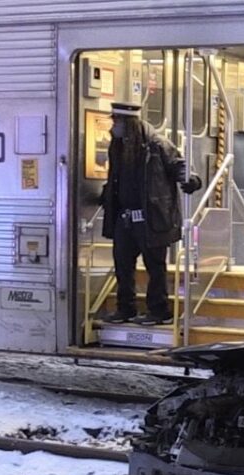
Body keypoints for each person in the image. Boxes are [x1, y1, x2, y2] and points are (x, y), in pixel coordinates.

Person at [101, 102, 202, 325]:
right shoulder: (117, 147)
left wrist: (190, 180)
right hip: (125, 217)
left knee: (155, 267)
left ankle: (159, 310)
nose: (113, 126)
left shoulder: (157, 145)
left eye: (117, 121)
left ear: (129, 124)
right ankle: (126, 309)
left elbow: (179, 164)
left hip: (152, 217)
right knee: (122, 265)